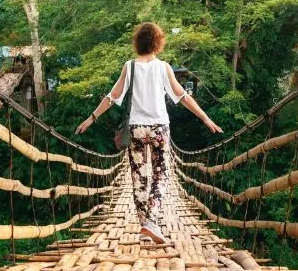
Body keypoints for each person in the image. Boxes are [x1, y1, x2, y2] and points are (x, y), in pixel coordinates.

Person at [75, 22, 223, 243]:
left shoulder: (130, 66)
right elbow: (183, 96)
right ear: (158, 42)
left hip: (135, 129)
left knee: (139, 177)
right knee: (161, 176)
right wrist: (205, 118)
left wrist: (91, 118)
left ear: (137, 42)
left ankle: (146, 224)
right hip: (159, 129)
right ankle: (152, 222)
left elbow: (112, 96)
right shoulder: (163, 67)